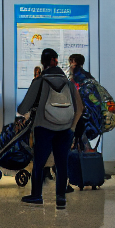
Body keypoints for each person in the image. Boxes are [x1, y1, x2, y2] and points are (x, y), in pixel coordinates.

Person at [18, 48, 78, 208]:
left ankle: (37, 195)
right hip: (65, 129)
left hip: (44, 127)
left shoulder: (40, 82)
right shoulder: (69, 84)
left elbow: (23, 107)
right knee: (61, 162)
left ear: (43, 63)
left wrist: (26, 111)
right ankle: (61, 198)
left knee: (39, 162)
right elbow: (79, 107)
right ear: (56, 62)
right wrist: (71, 127)